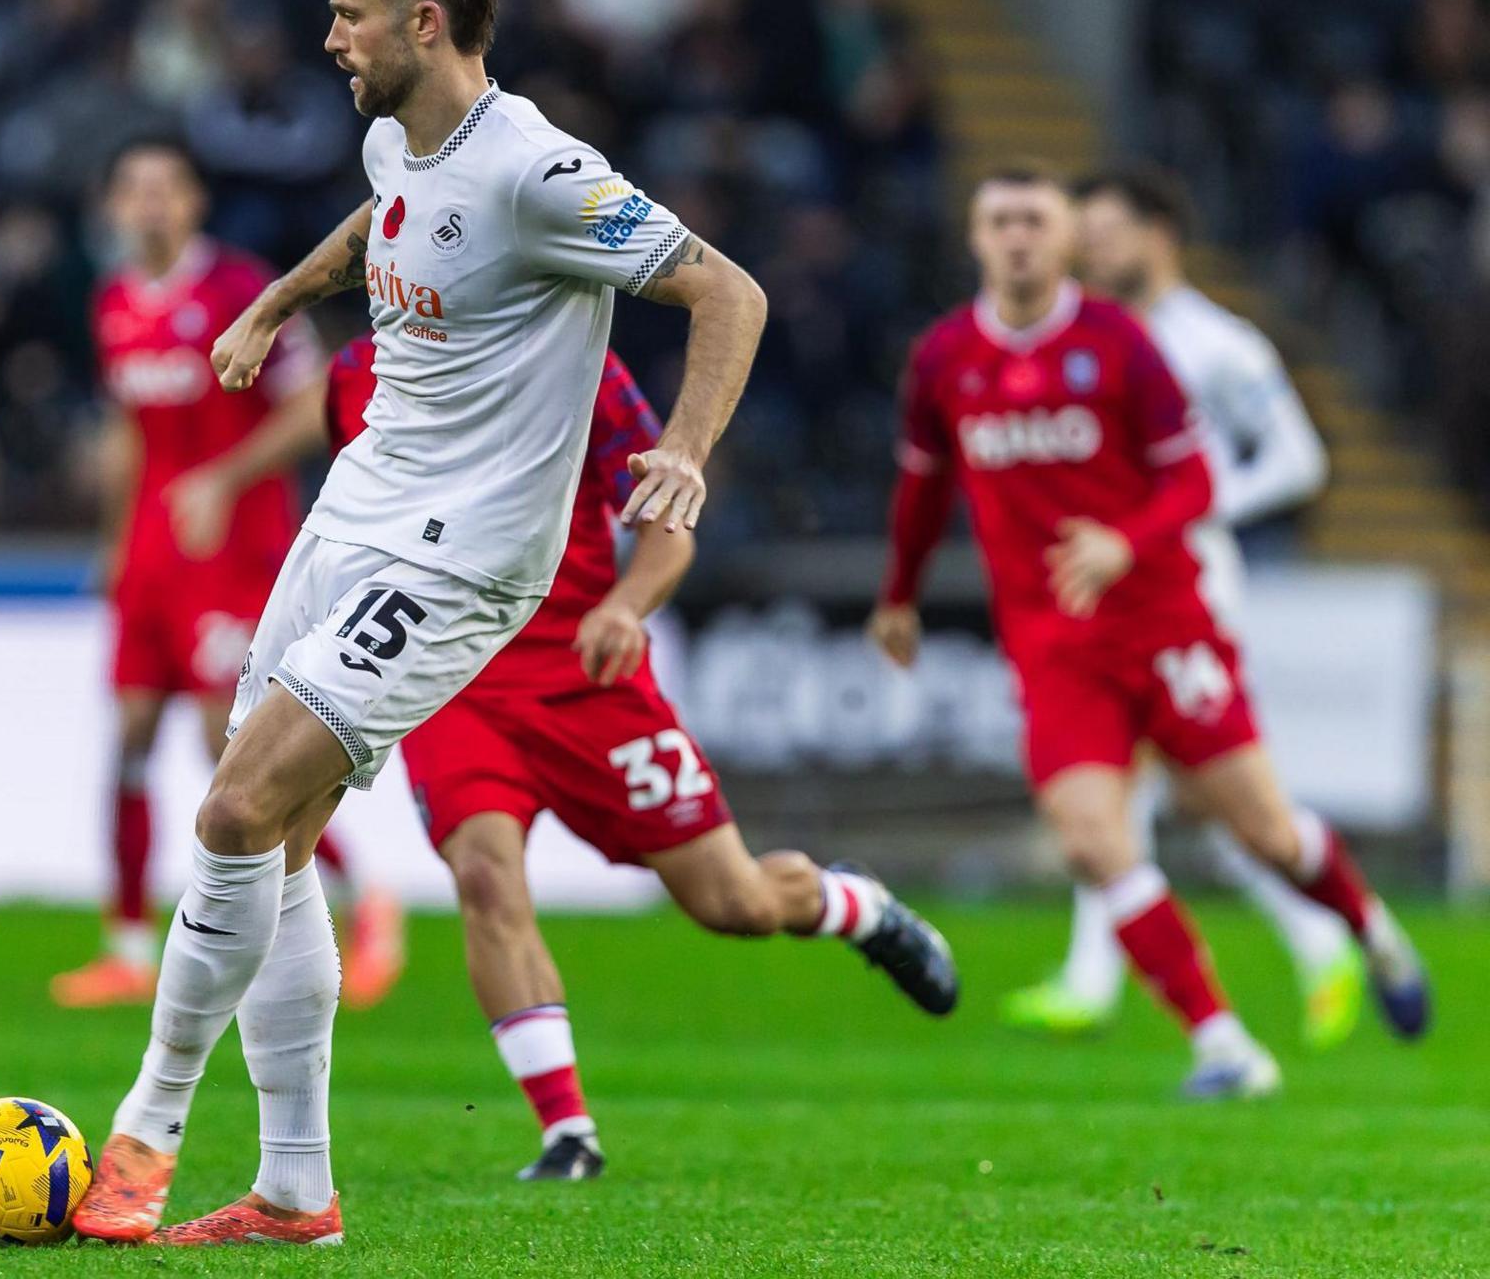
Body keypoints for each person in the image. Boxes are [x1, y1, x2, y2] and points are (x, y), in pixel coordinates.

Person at [74, 0, 776, 1247]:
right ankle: (295, 1193)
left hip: (463, 559)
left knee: (234, 810)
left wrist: (685, 449)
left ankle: (145, 1133)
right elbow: (381, 218)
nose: (330, 38)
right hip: (351, 516)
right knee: (271, 842)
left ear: (425, 21)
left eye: (350, 15)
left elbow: (728, 291)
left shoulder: (539, 173)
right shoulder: (395, 135)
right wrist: (281, 298)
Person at [329, 333, 953, 1181]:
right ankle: (568, 1132)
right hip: (454, 678)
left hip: (587, 672)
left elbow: (670, 528)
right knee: (484, 876)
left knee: (733, 902)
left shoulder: (578, 360)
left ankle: (855, 905)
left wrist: (626, 605)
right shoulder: (360, 371)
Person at [869, 164, 1430, 1102]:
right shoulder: (943, 358)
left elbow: (1198, 479)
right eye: (1000, 221)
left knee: (1262, 832)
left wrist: (1125, 543)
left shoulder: (1127, 343)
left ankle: (1369, 930)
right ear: (974, 236)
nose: (1017, 238)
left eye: (1036, 220)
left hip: (1164, 622)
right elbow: (924, 485)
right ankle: (1222, 1044)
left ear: (1064, 240)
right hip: (1053, 644)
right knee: (1093, 839)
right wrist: (899, 596)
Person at [1004, 165, 1357, 1048]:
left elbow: (1300, 460)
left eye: (1105, 234)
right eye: (1083, 238)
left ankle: (1307, 942)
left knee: (1166, 794)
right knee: (1128, 791)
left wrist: (1190, 510)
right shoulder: (1086, 339)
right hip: (1104, 589)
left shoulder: (1219, 345)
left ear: (1158, 235)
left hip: (1188, 586)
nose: (1090, 252)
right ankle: (1303, 944)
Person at [55, 137, 405, 1012]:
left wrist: (224, 479)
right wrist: (115, 541)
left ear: (195, 202)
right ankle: (127, 946)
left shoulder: (240, 290)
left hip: (234, 552)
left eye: (166, 187)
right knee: (131, 738)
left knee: (233, 748)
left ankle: (366, 900)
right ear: (113, 207)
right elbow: (128, 428)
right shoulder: (113, 301)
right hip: (152, 553)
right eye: (134, 188)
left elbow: (314, 404)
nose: (150, 204)